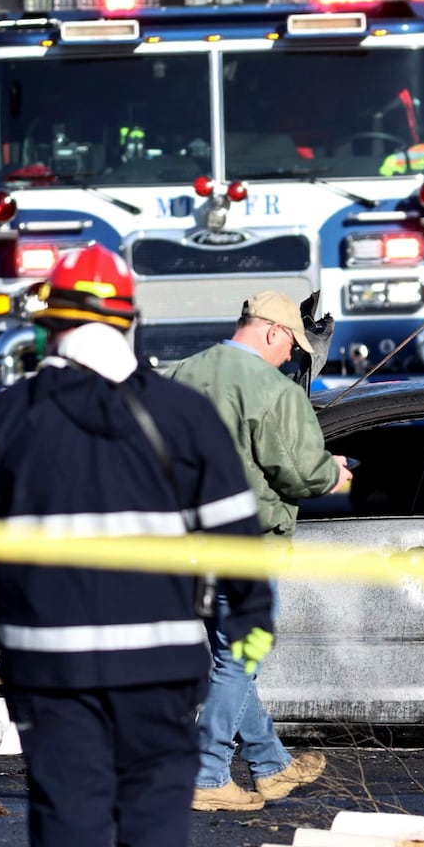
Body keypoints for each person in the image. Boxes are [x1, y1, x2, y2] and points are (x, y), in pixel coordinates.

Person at [0, 243, 273, 847]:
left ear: (48, 324)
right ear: (128, 322)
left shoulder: (1, 419)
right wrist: (251, 620)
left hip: (47, 656)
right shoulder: (180, 413)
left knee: (68, 796)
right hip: (159, 650)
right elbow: (238, 532)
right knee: (158, 775)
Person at [167, 290, 352, 811]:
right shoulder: (274, 390)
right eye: (291, 345)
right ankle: (207, 776)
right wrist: (332, 472)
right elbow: (300, 472)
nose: (291, 357)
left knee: (233, 659)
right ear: (272, 330)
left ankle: (272, 766)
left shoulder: (178, 375)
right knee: (239, 659)